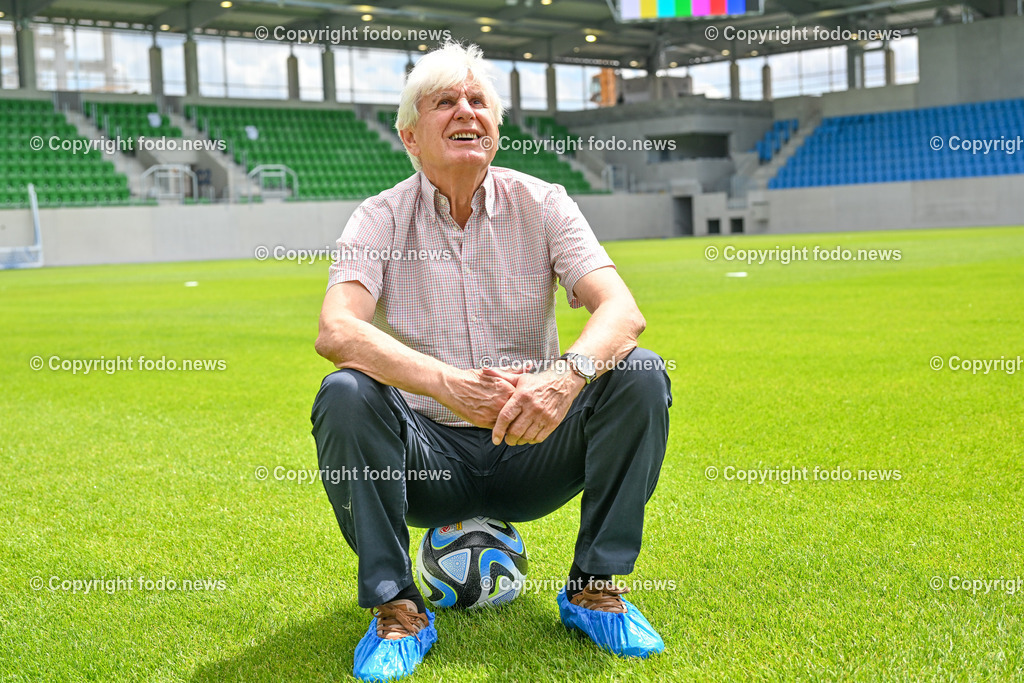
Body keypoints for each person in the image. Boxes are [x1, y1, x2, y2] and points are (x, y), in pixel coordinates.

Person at [310, 41, 671, 681]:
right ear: (409, 136)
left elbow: (622, 311)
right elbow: (337, 329)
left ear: (496, 129)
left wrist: (563, 379)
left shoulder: (545, 202)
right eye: (445, 102)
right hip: (426, 461)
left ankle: (594, 589)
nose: (466, 111)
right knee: (344, 392)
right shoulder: (379, 217)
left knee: (640, 372)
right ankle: (398, 610)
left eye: (478, 101)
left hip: (533, 444)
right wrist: (446, 384)